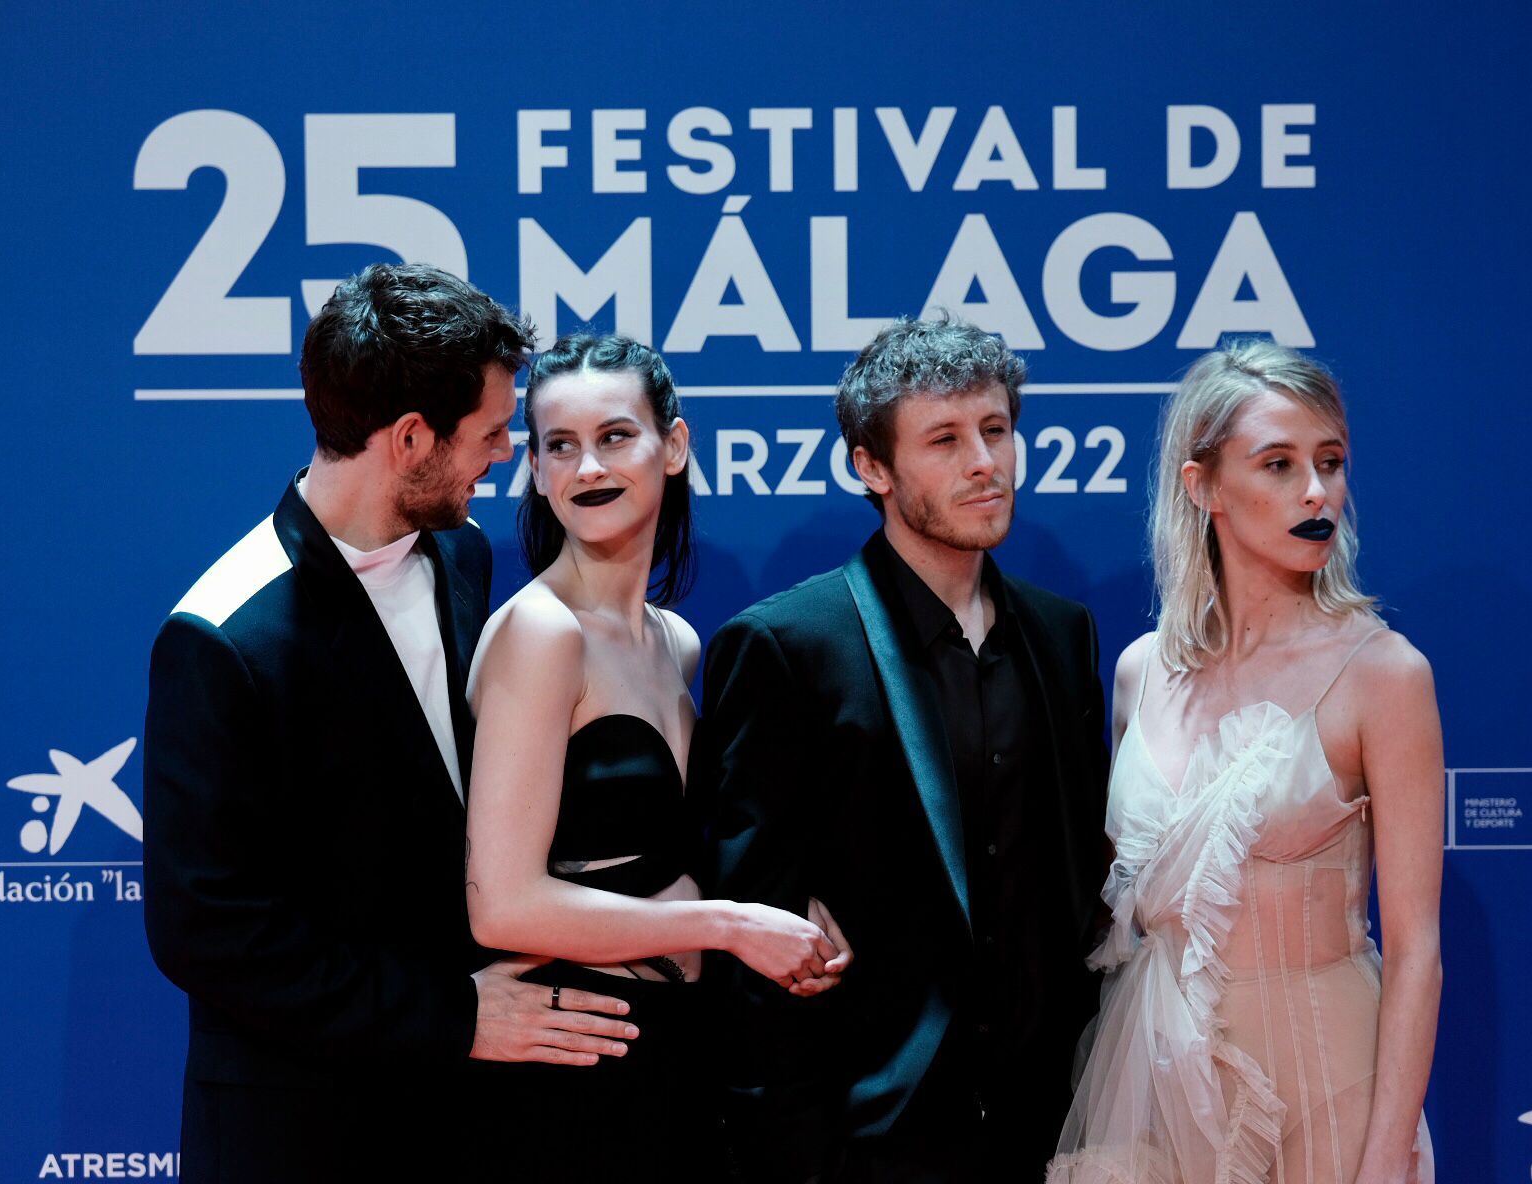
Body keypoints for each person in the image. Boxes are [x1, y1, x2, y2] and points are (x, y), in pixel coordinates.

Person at [143, 265, 641, 1184]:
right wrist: (451, 1016)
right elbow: (206, 931)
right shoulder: (223, 637)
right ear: (412, 438)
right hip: (303, 1129)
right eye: (491, 434)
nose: (506, 457)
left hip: (463, 1118)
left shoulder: (462, 551)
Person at [692, 314, 1113, 1183]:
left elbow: (1073, 888)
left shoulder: (1061, 636)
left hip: (1048, 1125)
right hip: (866, 1134)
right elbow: (755, 942)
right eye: (946, 440)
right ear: (871, 466)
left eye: (996, 432)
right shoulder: (784, 646)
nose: (984, 463)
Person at [1048, 340, 1440, 1183]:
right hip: (1151, 1084)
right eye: (1278, 464)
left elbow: (1416, 950)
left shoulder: (1384, 674)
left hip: (1327, 1088)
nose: (1315, 491)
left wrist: (1383, 1158)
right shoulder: (1140, 670)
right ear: (1203, 487)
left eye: (1330, 463)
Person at [463, 332, 850, 1180]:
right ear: (533, 468)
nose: (588, 468)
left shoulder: (676, 642)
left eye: (614, 437)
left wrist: (783, 907)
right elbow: (503, 908)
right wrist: (731, 926)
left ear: (673, 446)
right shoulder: (540, 634)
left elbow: (669, 857)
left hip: (675, 1056)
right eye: (559, 446)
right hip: (569, 1066)